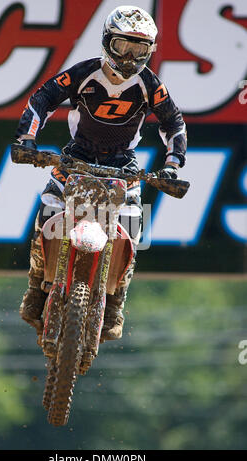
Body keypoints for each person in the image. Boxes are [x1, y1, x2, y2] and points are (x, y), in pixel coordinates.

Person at [14, 5, 187, 342]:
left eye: (140, 50)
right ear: (108, 42)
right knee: (47, 213)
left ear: (150, 51)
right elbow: (42, 99)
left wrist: (173, 165)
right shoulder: (84, 73)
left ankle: (116, 301)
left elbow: (174, 123)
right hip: (75, 158)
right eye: (124, 47)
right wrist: (27, 139)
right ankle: (35, 287)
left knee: (134, 228)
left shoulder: (150, 84)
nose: (130, 57)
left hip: (124, 167)